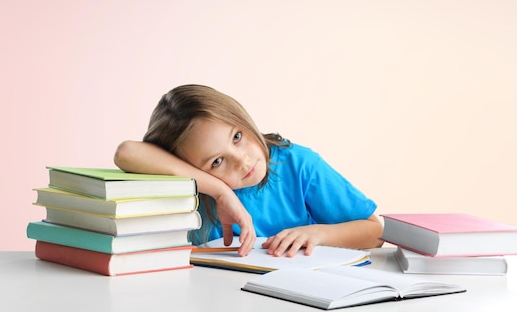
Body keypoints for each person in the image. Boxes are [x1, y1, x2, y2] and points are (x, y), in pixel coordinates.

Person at [114, 84, 384, 257]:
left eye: (237, 137)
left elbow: (375, 232)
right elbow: (126, 153)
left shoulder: (296, 164)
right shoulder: (188, 185)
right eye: (216, 162)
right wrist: (220, 192)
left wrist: (319, 234)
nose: (242, 161)